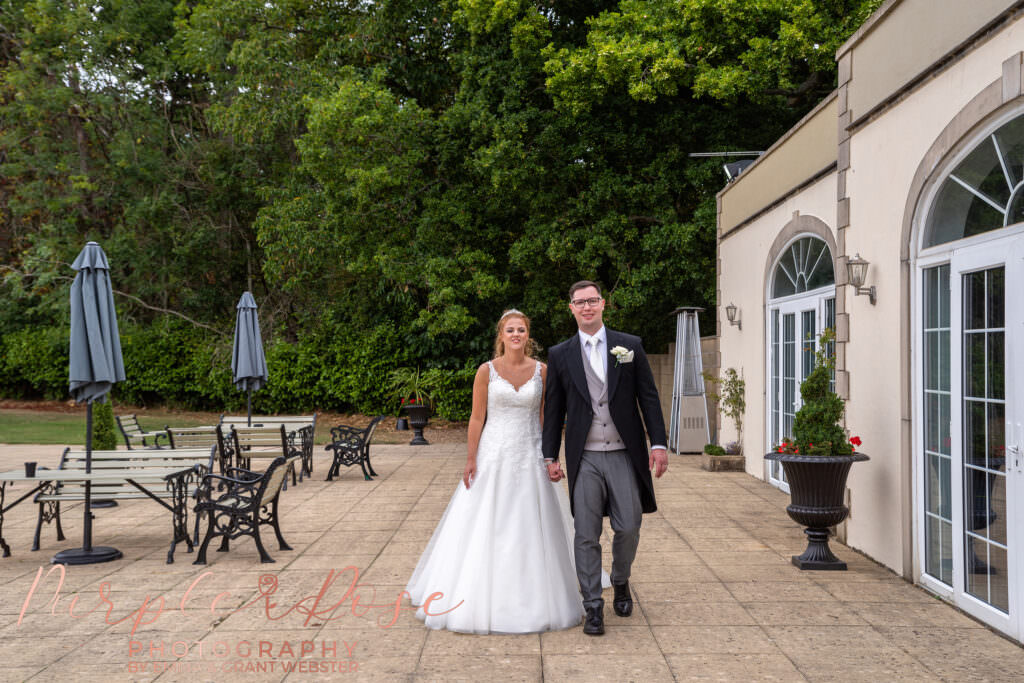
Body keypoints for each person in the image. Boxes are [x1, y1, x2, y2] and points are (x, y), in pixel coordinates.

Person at [405, 309, 588, 633]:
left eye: (521, 330)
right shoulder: (485, 372)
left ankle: (538, 587)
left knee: (533, 519)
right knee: (486, 519)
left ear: (527, 335)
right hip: (494, 452)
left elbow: (549, 418)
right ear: (501, 336)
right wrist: (471, 458)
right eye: (510, 330)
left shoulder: (542, 371)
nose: (516, 335)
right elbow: (477, 418)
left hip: (530, 452)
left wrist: (551, 457)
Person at [542, 280, 668, 636]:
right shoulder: (560, 354)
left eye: (592, 301)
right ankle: (593, 606)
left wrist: (658, 443)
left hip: (624, 454)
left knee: (629, 526)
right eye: (579, 302)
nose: (586, 307)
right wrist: (549, 455)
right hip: (585, 458)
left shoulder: (630, 346)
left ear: (602, 305)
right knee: (586, 533)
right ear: (571, 308)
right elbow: (554, 410)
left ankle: (621, 578)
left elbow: (649, 397)